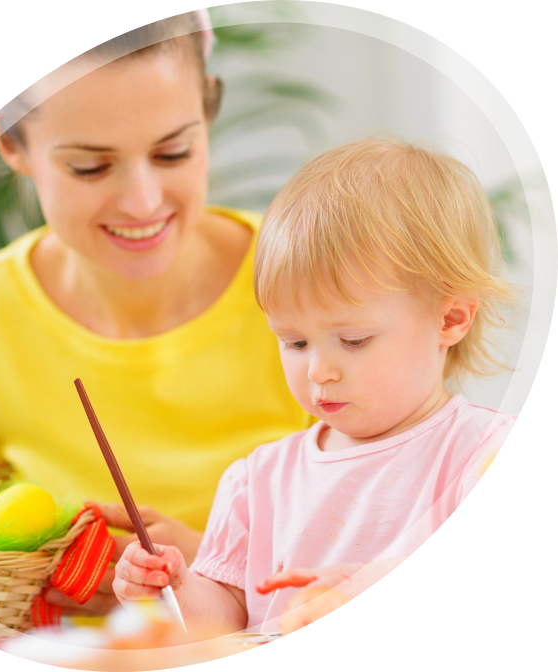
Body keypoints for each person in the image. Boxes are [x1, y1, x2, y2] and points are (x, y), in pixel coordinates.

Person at [0, 10, 312, 619]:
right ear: (12, 144)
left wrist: (214, 569)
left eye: (173, 152)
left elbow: (393, 527)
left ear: (208, 109)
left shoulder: (309, 287)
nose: (143, 201)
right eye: (90, 166)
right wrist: (46, 570)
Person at [112, 138, 518, 633]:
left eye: (353, 339)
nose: (317, 371)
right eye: (295, 342)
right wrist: (177, 590)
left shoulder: (477, 454)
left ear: (451, 318)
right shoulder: (257, 481)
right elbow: (226, 622)